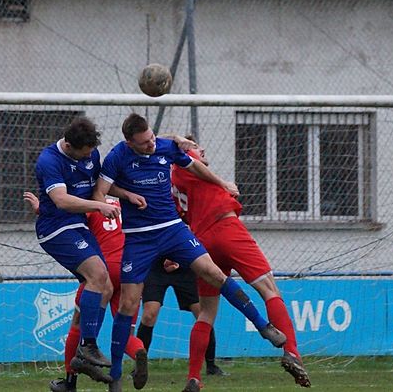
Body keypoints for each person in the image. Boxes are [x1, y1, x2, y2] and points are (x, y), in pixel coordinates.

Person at [93, 113, 286, 392]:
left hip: (173, 230)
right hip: (139, 238)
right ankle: (115, 376)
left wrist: (221, 183)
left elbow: (194, 166)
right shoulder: (117, 156)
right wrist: (125, 196)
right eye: (144, 143)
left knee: (214, 274)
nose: (151, 145)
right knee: (128, 305)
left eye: (152, 138)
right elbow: (100, 191)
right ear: (129, 142)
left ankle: (263, 326)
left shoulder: (164, 146)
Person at [171, 137, 310, 391]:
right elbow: (171, 143)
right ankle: (292, 352)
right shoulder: (183, 162)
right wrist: (180, 141)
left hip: (202, 243)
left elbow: (178, 219)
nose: (201, 149)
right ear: (184, 150)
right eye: (195, 146)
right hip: (226, 228)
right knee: (269, 289)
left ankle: (194, 377)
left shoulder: (175, 185)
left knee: (206, 312)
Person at [33, 117, 146, 386]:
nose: (88, 158)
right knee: (98, 275)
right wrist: (99, 206)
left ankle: (78, 367)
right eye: (83, 154)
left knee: (102, 283)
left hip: (79, 227)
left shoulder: (91, 154)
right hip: (56, 228)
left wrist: (125, 195)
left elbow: (99, 187)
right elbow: (61, 200)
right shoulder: (49, 160)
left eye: (90, 153)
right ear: (69, 146)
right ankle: (88, 347)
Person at [25, 192, 149, 392]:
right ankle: (137, 354)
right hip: (129, 270)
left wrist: (41, 208)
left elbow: (66, 214)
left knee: (78, 323)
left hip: (102, 269)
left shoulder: (90, 205)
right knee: (125, 332)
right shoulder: (123, 206)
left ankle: (70, 381)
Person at [137, 256, 225, 377]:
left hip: (185, 267)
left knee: (203, 314)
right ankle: (139, 368)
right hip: (156, 268)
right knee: (149, 315)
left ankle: (211, 366)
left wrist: (177, 257)